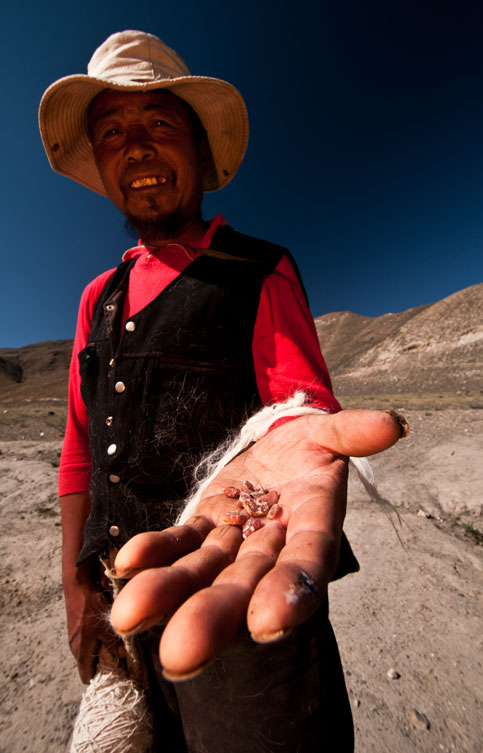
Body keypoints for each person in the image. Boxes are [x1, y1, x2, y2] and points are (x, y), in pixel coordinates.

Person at [39, 30, 407, 753]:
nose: (136, 146)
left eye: (157, 125)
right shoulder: (97, 299)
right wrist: (77, 588)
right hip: (123, 612)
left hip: (239, 618)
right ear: (104, 165)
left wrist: (297, 442)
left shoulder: (257, 271)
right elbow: (80, 447)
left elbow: (301, 413)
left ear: (200, 151)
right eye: (112, 132)